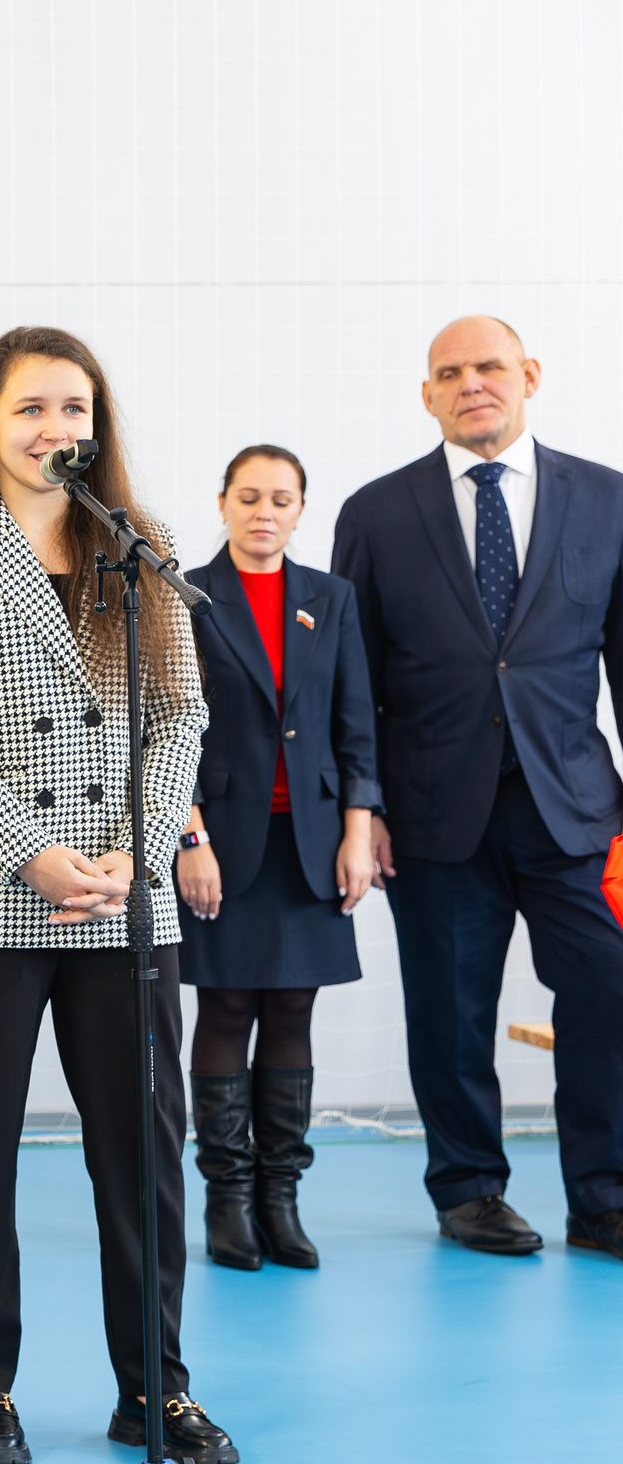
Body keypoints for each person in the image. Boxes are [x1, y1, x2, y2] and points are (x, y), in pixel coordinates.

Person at [0, 326, 236, 1464]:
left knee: (141, 1147)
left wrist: (136, 846)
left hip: (124, 898)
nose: (53, 431)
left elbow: (179, 711)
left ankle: (155, 1388)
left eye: (73, 410)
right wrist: (29, 851)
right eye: (29, 409)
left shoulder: (143, 547)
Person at [332, 316, 623, 1261]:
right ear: (427, 395)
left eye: (489, 366)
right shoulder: (375, 514)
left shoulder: (607, 499)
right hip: (429, 815)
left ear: (529, 375)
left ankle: (605, 1196)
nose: (472, 384)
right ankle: (468, 1190)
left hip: (575, 807)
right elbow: (354, 678)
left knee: (608, 991)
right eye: (449, 373)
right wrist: (361, 805)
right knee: (449, 1011)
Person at [176, 447, 382, 1271]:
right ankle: (227, 1200)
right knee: (225, 1011)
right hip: (222, 840)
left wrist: (359, 827)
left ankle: (280, 1199)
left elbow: (355, 717)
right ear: (222, 502)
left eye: (282, 499)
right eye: (250, 496)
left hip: (312, 839)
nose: (265, 511)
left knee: (294, 1010)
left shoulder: (331, 598)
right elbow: (164, 724)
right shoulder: (182, 595)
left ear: (301, 511)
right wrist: (190, 838)